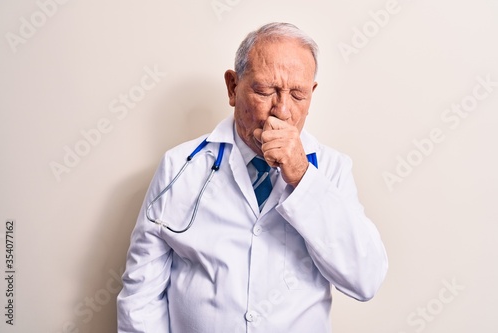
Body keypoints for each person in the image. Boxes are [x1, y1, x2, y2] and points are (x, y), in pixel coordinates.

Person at [117, 22, 388, 333]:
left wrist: (302, 177)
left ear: (312, 94)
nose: (282, 111)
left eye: (297, 95)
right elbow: (141, 294)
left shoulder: (332, 168)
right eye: (264, 90)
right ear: (233, 87)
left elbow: (365, 280)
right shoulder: (180, 165)